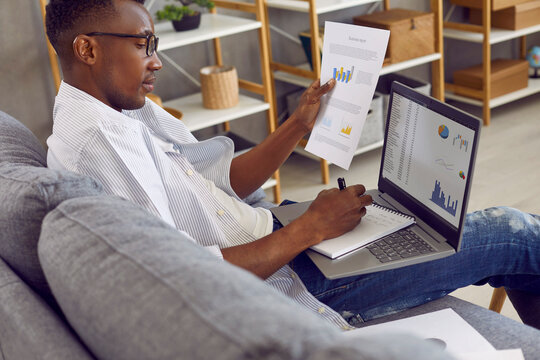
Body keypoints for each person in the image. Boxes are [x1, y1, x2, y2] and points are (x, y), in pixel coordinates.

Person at [45, 0, 540, 330]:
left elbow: (220, 179)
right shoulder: (97, 143)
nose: (155, 59)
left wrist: (296, 125)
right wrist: (310, 229)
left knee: (433, 223)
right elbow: (185, 277)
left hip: (279, 238)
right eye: (141, 44)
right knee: (515, 232)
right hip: (296, 284)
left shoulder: (120, 109)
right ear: (87, 48)